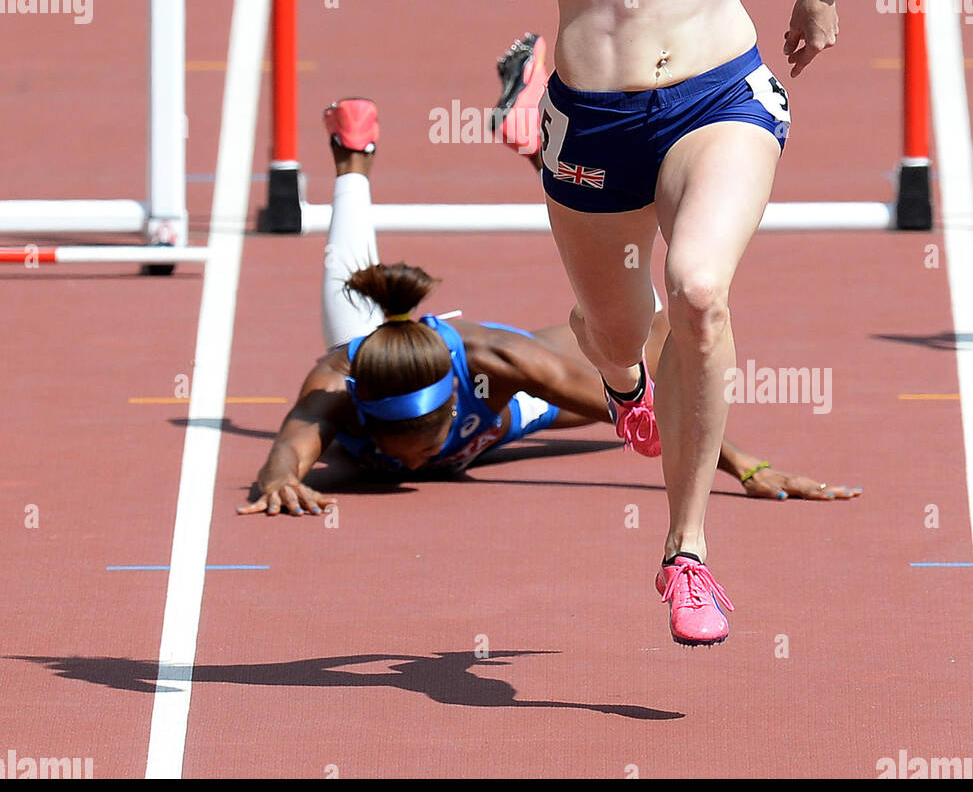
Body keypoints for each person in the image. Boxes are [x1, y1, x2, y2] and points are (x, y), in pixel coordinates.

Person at [488, 0, 841, 644]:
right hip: (594, 117)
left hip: (718, 88)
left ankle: (687, 553)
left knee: (696, 289)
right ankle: (626, 380)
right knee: (614, 330)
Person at [239, 95, 858, 525]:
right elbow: (288, 448)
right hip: (400, 370)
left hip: (501, 407)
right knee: (349, 310)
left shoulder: (495, 361)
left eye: (422, 447)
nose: (412, 465)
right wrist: (279, 480)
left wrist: (746, 467)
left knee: (645, 350)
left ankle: (531, 152)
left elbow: (646, 413)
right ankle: (359, 157)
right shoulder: (338, 386)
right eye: (400, 450)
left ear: (454, 404)